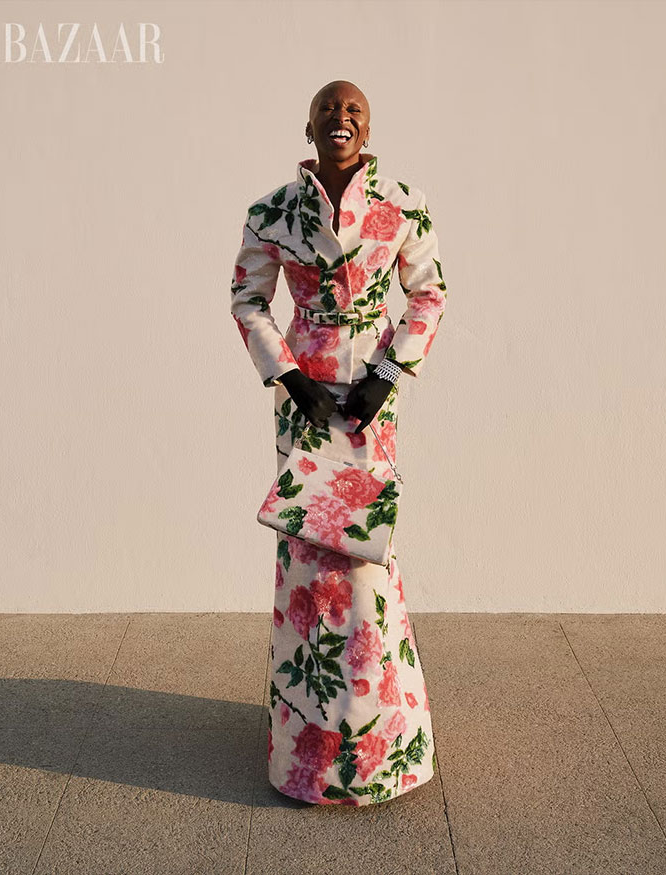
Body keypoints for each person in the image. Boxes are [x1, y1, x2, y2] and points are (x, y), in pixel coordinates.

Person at [229, 80, 447, 806]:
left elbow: (428, 292)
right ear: (309, 125)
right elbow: (248, 298)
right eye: (328, 108)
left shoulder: (403, 203)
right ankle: (306, 754)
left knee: (367, 557)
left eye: (354, 109)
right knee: (307, 553)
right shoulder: (273, 210)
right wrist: (287, 375)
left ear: (369, 125)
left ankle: (383, 744)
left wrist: (391, 371)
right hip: (305, 404)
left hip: (369, 407)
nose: (341, 119)